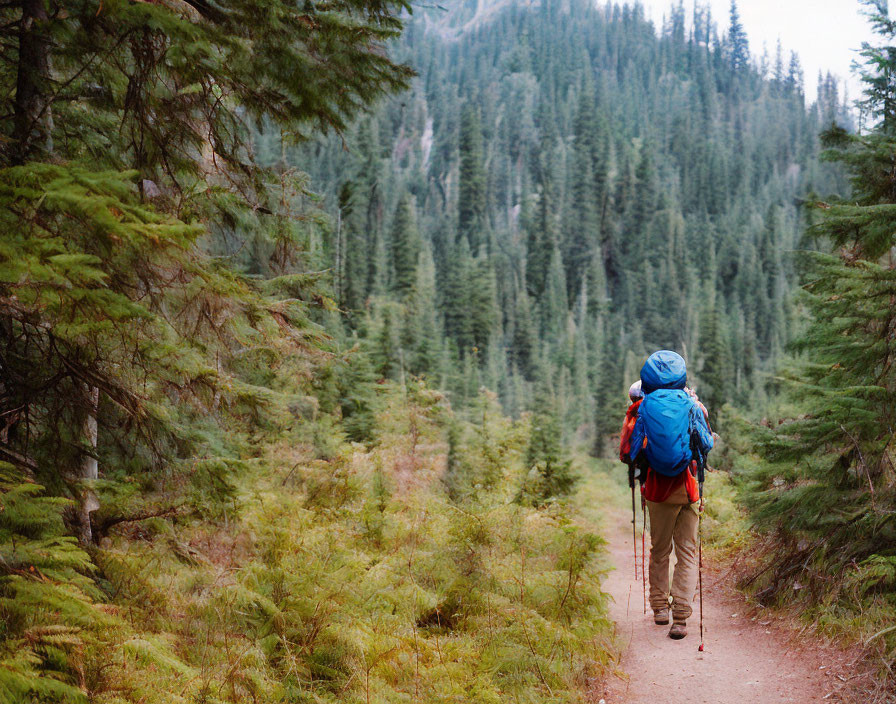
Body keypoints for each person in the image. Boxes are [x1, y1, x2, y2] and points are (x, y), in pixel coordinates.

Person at [627, 350, 713, 640]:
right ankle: (681, 618)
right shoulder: (690, 404)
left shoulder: (645, 406)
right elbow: (707, 443)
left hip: (657, 490)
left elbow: (632, 451)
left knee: (660, 550)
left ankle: (660, 608)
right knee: (687, 553)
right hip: (688, 488)